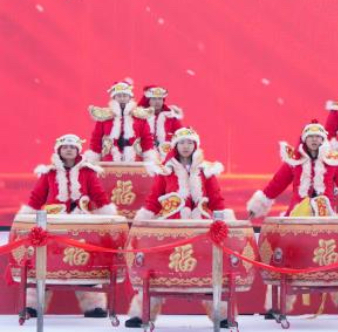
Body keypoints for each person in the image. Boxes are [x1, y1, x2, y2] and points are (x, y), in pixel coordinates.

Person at [247, 121, 338, 320]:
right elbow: (275, 185)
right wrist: (256, 207)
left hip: (326, 216)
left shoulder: (333, 162)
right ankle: (277, 305)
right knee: (285, 258)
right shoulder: (293, 161)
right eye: (311, 137)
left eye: (318, 137)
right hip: (297, 216)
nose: (314, 140)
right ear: (305, 139)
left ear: (323, 140)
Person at [126, 127, 232, 328]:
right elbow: (153, 201)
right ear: (175, 146)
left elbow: (217, 200)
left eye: (190, 143)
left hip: (201, 229)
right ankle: (142, 314)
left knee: (207, 271)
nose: (186, 146)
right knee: (157, 271)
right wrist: (140, 222)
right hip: (170, 228)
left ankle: (221, 315)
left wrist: (226, 221)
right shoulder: (165, 170)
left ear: (195, 145)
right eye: (182, 143)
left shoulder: (206, 170)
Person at [19, 133, 117, 319]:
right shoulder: (49, 173)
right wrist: (24, 218)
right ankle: (33, 305)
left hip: (82, 224)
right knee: (46, 264)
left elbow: (99, 196)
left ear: (78, 151)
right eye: (65, 147)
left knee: (86, 264)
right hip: (54, 225)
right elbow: (36, 198)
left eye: (72, 147)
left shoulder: (88, 172)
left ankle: (94, 305)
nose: (69, 150)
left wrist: (110, 217)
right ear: (59, 151)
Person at [85, 81, 157, 164]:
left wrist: (149, 158)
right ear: (114, 98)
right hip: (109, 160)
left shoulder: (139, 116)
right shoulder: (104, 117)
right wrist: (93, 159)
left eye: (125, 95)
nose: (122, 98)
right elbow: (96, 139)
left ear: (130, 97)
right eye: (119, 96)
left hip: (135, 160)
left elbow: (147, 139)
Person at [138, 85, 184, 157]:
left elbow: (181, 135)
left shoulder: (171, 116)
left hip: (166, 155)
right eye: (154, 99)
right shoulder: (140, 116)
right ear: (148, 100)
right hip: (143, 154)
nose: (157, 102)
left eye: (160, 99)